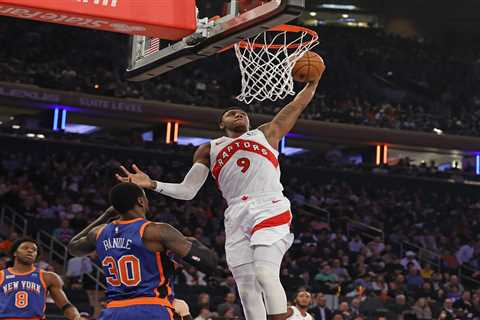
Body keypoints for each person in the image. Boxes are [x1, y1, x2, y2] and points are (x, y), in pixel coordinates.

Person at [117, 75, 322, 320]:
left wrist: (313, 84)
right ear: (220, 123)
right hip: (236, 213)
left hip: (269, 204)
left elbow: (295, 106)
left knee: (265, 273)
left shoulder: (265, 133)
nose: (239, 115)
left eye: (243, 113)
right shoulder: (208, 149)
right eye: (232, 113)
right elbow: (188, 191)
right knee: (246, 288)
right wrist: (151, 183)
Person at [68, 182, 218, 320]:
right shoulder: (156, 231)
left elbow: (73, 248)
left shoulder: (98, 233)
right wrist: (192, 241)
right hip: (151, 308)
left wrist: (106, 215)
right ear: (141, 201)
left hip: (114, 311)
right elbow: (209, 263)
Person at [0, 238, 84, 320]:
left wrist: (76, 317)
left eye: (34, 250)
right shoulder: (1, 275)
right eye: (25, 248)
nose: (30, 251)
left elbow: (65, 305)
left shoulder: (48, 277)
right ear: (15, 252)